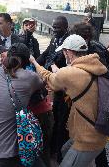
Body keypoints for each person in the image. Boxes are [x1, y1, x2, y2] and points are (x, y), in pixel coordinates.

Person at [30, 34, 108, 167]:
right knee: (65, 150)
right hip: (99, 132)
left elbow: (48, 77)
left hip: (87, 139)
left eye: (64, 52)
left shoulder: (71, 72)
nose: (64, 55)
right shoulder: (96, 66)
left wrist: (34, 62)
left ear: (69, 52)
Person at [0, 43, 45, 167]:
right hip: (8, 156)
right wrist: (35, 62)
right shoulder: (29, 77)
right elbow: (46, 81)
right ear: (26, 62)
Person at [70, 22, 109, 167]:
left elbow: (102, 74)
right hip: (95, 96)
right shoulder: (96, 47)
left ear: (83, 38)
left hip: (96, 98)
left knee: (95, 134)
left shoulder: (94, 50)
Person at [36, 16, 70, 163]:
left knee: (62, 120)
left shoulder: (68, 42)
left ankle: (61, 154)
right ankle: (54, 148)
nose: (55, 30)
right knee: (56, 117)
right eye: (54, 27)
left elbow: (55, 59)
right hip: (56, 85)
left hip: (65, 87)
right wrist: (33, 65)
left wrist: (46, 65)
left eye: (58, 27)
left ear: (66, 28)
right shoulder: (55, 39)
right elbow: (46, 55)